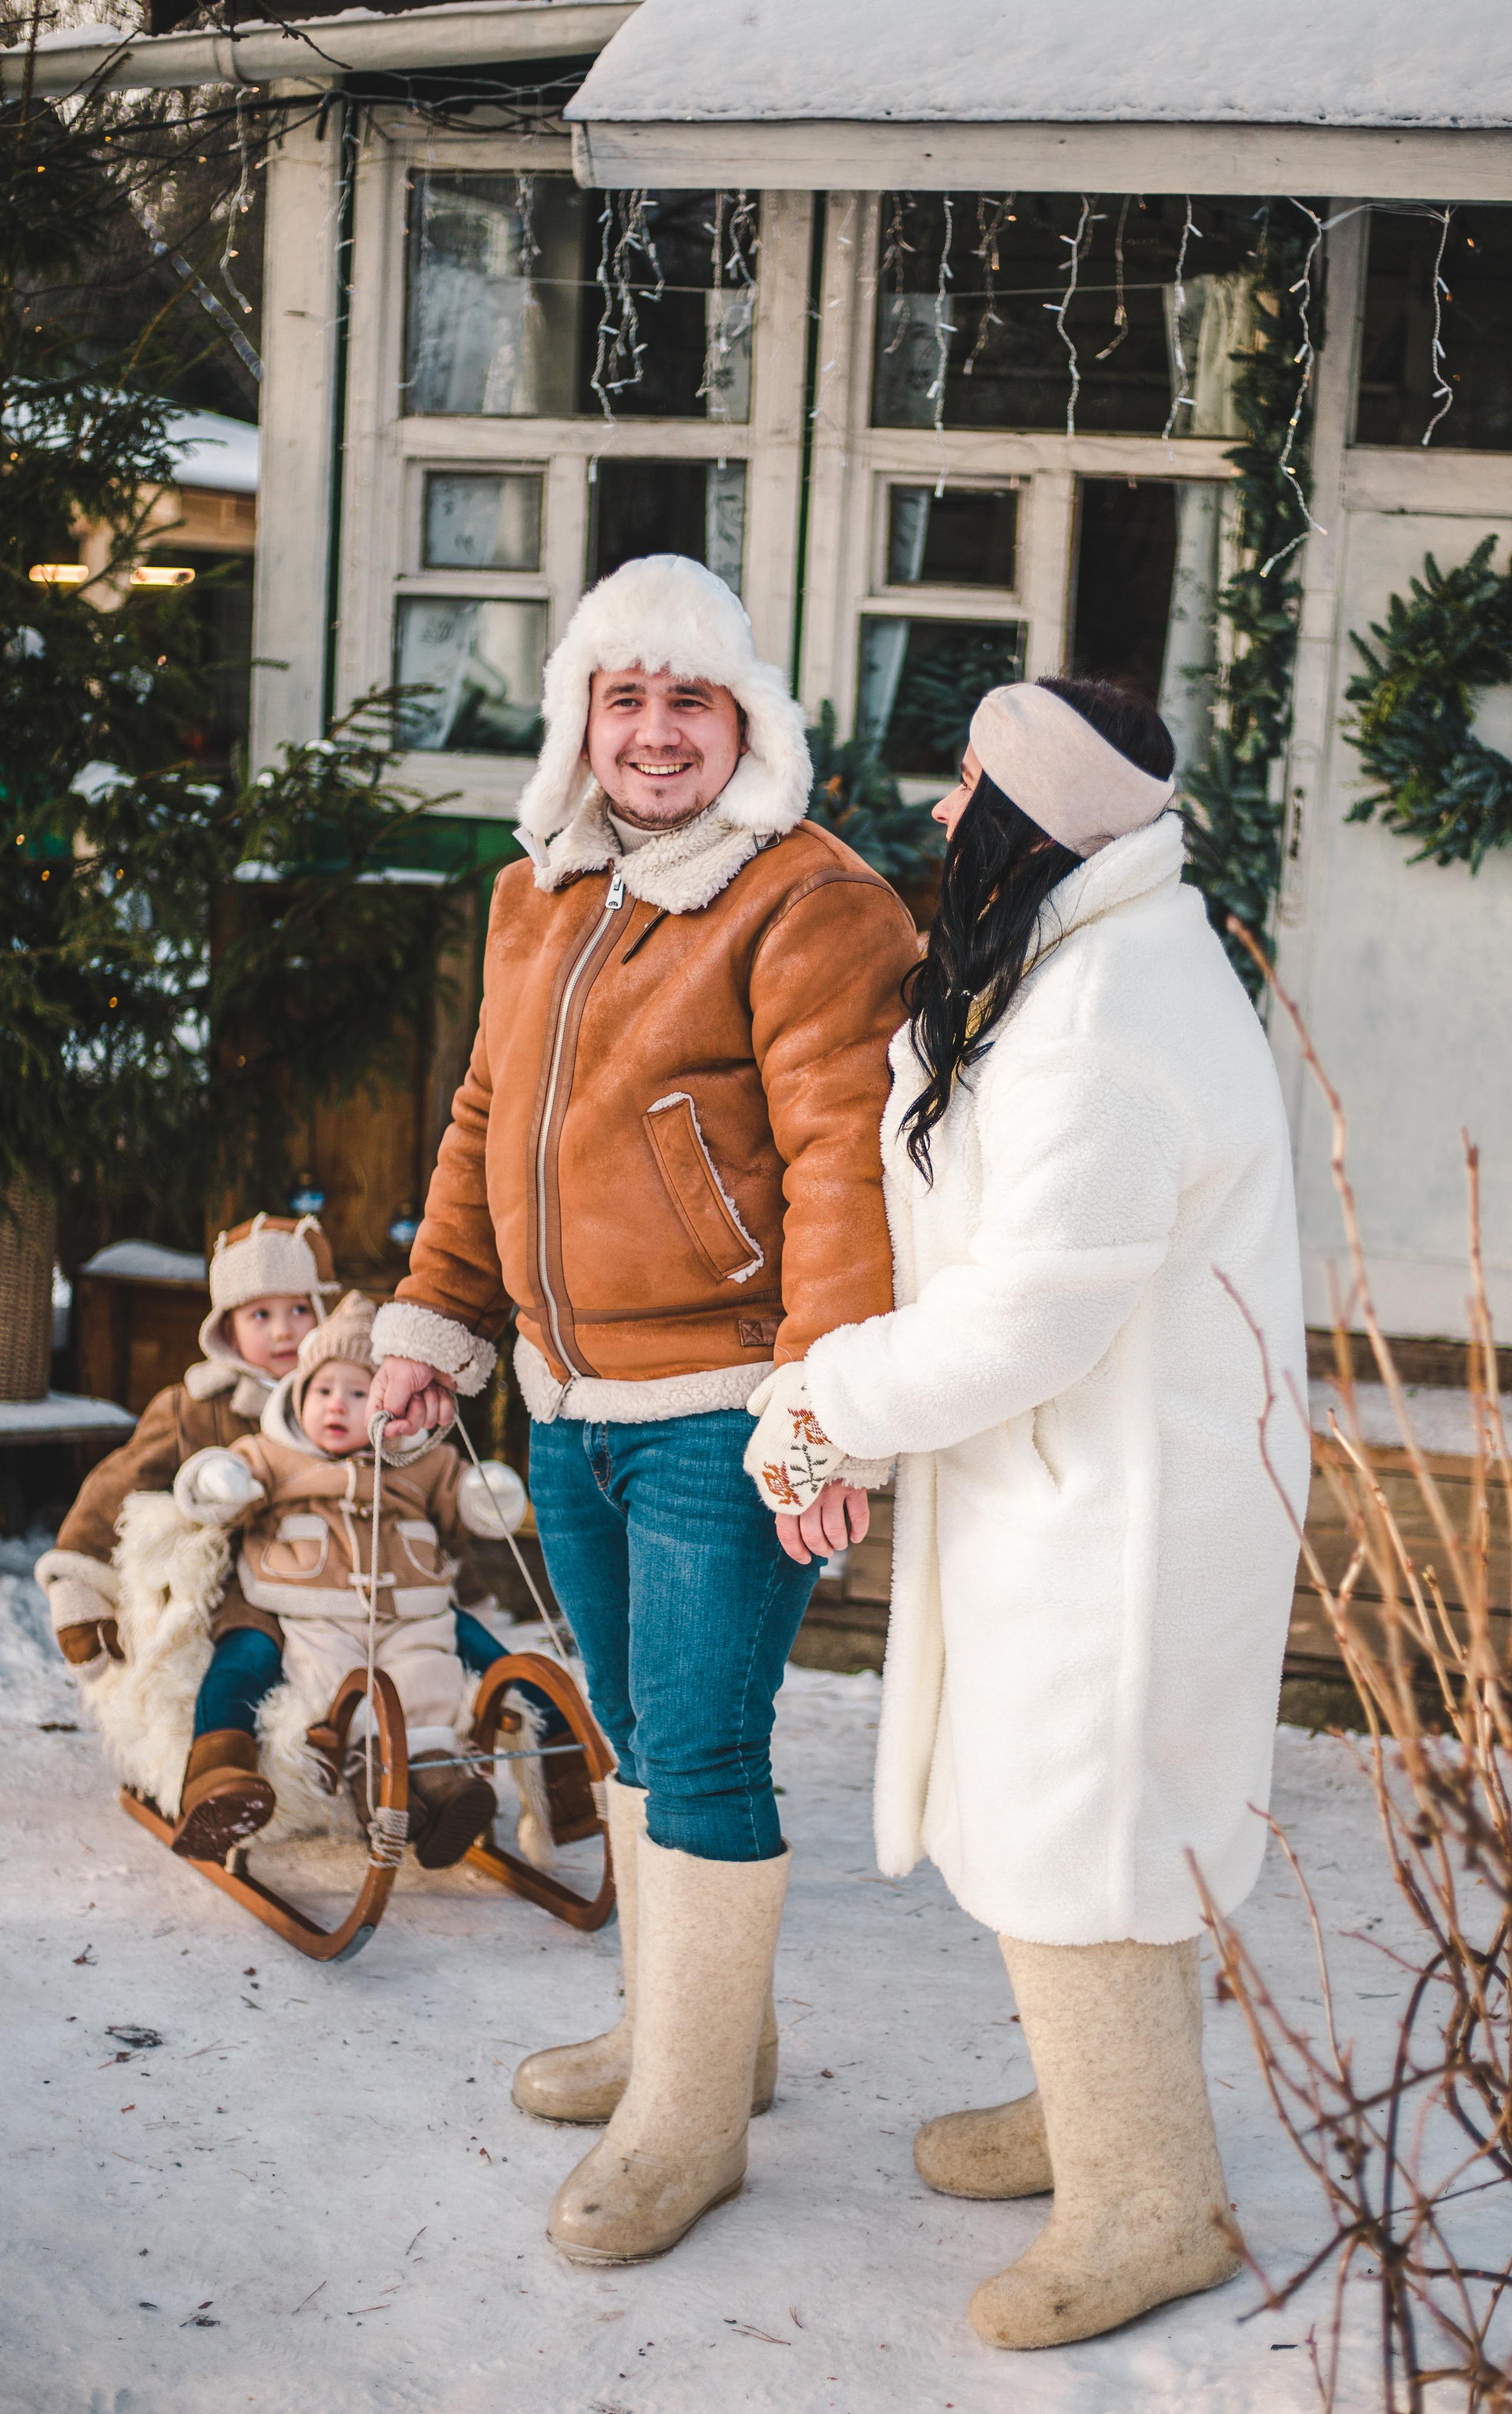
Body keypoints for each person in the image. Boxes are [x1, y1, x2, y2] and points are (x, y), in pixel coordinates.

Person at [744, 676, 1309, 2350]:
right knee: (1057, 1826)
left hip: (1121, 1516)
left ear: (1027, 815)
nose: (937, 815)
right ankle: (1098, 2114)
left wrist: (825, 1399)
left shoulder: (1113, 1017)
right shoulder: (1082, 960)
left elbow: (1026, 1318)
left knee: (1094, 1838)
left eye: (967, 784)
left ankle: (1151, 2207)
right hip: (1071, 1487)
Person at [368, 553, 915, 2264]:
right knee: (626, 1726)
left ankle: (686, 2122)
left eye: (691, 698)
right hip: (565, 1396)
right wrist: (431, 1324)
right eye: (626, 697)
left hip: (727, 1409)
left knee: (698, 1747)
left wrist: (821, 1417)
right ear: (582, 719)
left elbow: (846, 1173)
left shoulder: (808, 902)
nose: (657, 732)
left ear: (743, 719)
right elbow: (481, 1124)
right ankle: (700, 2040)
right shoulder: (540, 891)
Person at [38, 1211, 569, 1860]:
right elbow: (114, 1490)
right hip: (254, 1589)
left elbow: (421, 1505)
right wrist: (78, 1582)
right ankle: (221, 1777)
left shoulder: (376, 1401)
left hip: (378, 1583)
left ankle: (560, 1756)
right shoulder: (197, 1404)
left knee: (475, 1641)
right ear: (225, 1327)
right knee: (248, 1660)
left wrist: (465, 1578)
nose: (284, 1330)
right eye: (259, 1315)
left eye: (298, 1309)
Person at [172, 1289, 531, 1867]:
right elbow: (224, 1472)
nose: (337, 1406)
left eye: (360, 1393)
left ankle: (444, 1788)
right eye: (322, 1391)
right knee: (331, 1686)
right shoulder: (277, 1452)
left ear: (390, 1405)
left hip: (408, 1610)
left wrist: (485, 1496)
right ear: (297, 1396)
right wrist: (222, 1481)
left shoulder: (420, 1461)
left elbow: (459, 1490)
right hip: (312, 1610)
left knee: (427, 1680)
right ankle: (358, 1790)